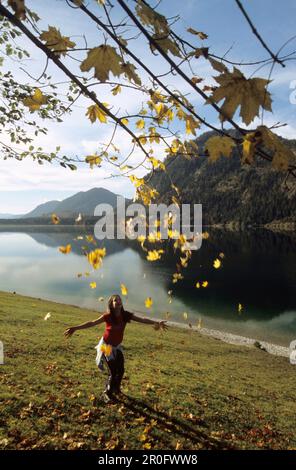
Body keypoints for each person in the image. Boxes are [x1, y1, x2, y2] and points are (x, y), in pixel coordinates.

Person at [64, 294, 168, 403]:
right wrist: (75, 328)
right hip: (106, 346)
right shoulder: (107, 316)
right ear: (111, 304)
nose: (118, 301)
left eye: (119, 300)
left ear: (121, 303)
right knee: (113, 372)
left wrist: (157, 322)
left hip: (117, 346)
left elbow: (142, 319)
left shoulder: (126, 315)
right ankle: (107, 393)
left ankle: (116, 389)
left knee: (121, 370)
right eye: (115, 300)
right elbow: (92, 323)